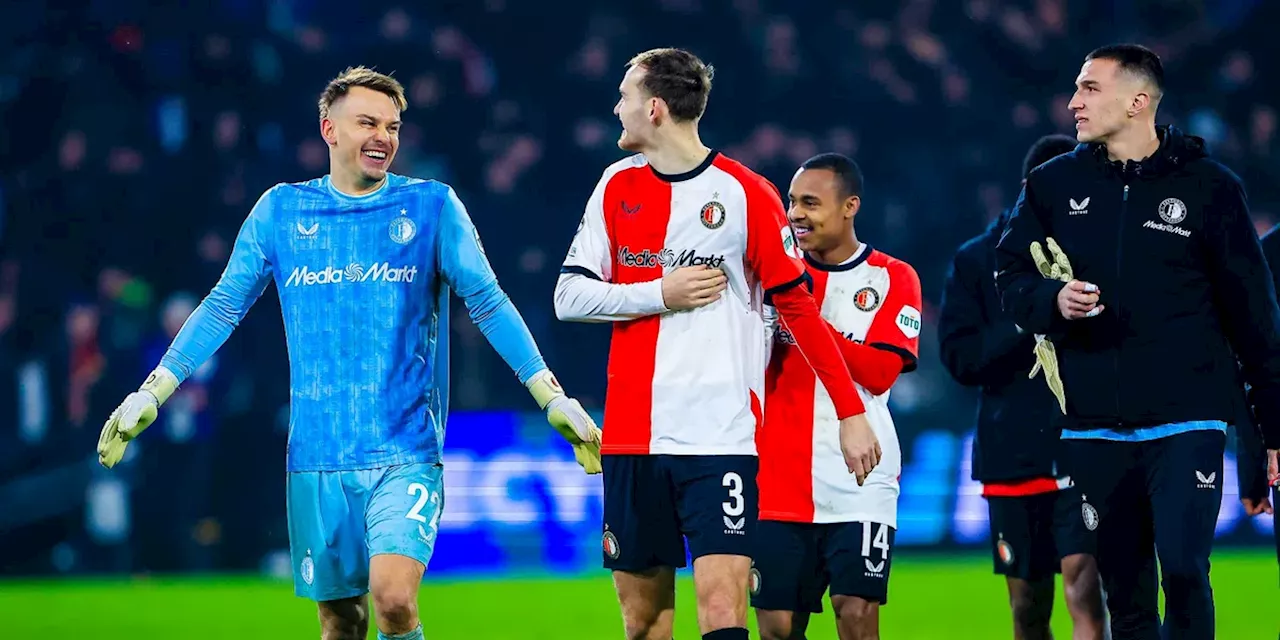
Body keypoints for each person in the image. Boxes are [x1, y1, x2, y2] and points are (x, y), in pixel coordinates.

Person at [95, 66, 603, 640]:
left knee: (391, 601)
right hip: (316, 455)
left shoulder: (432, 207)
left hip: (404, 450)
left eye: (393, 125)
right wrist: (154, 390)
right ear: (328, 130)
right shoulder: (281, 211)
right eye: (367, 122)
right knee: (340, 622)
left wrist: (550, 396)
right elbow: (222, 308)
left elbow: (486, 301)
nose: (383, 136)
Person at [554, 48, 881, 640]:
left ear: (653, 108)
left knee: (724, 612)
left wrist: (851, 411)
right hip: (630, 435)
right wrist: (660, 292)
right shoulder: (615, 185)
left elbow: (799, 309)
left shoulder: (744, 193)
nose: (616, 108)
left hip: (719, 437)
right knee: (644, 620)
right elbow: (568, 297)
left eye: (625, 96)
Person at [995, 43, 1280, 639]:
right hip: (1094, 423)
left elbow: (1256, 320)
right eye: (1077, 88)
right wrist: (1052, 302)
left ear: (1137, 102)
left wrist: (1273, 432)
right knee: (1124, 591)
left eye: (1090, 88)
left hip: (1188, 422)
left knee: (1181, 568)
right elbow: (1009, 274)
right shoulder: (1051, 184)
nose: (1074, 102)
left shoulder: (1209, 187)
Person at [939, 134, 1106, 640]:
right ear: (1030, 189)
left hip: (1088, 444)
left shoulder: (1100, 252)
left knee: (1084, 589)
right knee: (1028, 609)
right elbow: (961, 360)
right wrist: (1031, 315)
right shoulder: (978, 262)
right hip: (1015, 456)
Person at [750, 153, 920, 640]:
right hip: (778, 477)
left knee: (857, 615)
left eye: (810, 202)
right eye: (791, 202)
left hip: (859, 477)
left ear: (850, 206)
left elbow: (882, 370)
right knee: (778, 629)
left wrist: (803, 322)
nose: (795, 214)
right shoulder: (766, 279)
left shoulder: (892, 277)